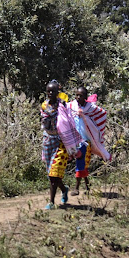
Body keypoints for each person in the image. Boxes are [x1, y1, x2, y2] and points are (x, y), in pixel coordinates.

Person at [41, 80, 82, 209]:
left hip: (61, 143)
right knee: (52, 174)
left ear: (58, 93)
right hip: (48, 141)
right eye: (48, 91)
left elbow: (70, 121)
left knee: (54, 174)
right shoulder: (44, 106)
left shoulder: (63, 106)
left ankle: (51, 202)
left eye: (53, 91)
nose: (50, 93)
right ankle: (64, 189)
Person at [68, 87, 110, 196]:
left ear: (85, 97)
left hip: (86, 141)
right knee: (83, 163)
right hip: (76, 140)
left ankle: (76, 188)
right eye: (77, 95)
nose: (78, 97)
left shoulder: (90, 108)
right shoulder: (73, 106)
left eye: (81, 95)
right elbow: (65, 110)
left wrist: (85, 115)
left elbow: (102, 113)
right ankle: (88, 187)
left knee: (80, 162)